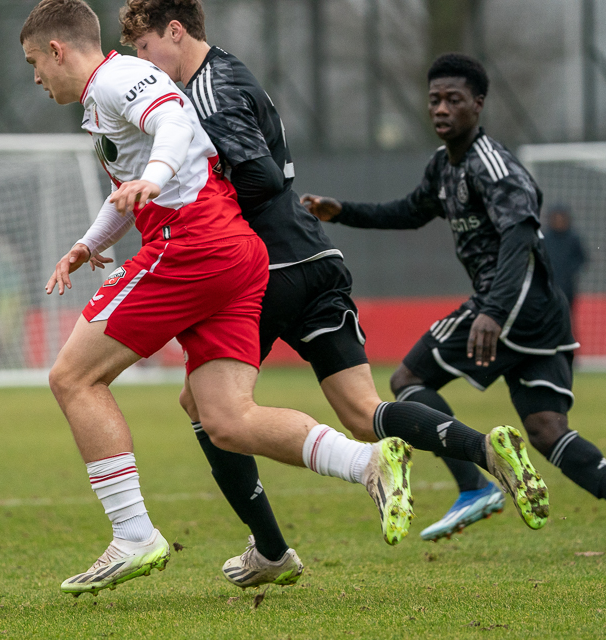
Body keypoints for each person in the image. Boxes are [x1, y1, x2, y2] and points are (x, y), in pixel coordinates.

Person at [118, 0, 551, 572]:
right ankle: (484, 450)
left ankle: (270, 549)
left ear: (175, 32)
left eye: (145, 49)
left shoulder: (204, 92)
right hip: (315, 254)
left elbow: (261, 176)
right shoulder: (233, 69)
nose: (144, 66)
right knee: (362, 409)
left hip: (264, 264)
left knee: (205, 405)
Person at [20, 0, 417, 596]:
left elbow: (173, 128)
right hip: (233, 251)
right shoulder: (109, 93)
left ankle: (133, 534)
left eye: (33, 63)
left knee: (71, 378)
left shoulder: (117, 78)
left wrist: (153, 177)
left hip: (192, 247)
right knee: (227, 420)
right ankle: (369, 463)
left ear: (58, 50)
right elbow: (136, 181)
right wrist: (86, 244)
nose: (35, 78)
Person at [302, 53, 606, 561]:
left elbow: (521, 232)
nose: (441, 108)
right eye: (435, 99)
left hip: (514, 302)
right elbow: (410, 212)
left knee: (408, 379)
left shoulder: (490, 163)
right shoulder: (443, 165)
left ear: (478, 105)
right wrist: (343, 212)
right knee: (546, 429)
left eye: (454, 100)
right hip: (537, 313)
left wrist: (493, 311)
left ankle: (475, 485)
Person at [543, 205, 585, 319]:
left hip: (567, 287)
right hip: (547, 287)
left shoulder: (573, 238)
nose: (559, 221)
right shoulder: (544, 239)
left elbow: (582, 258)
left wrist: (570, 270)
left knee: (567, 315)